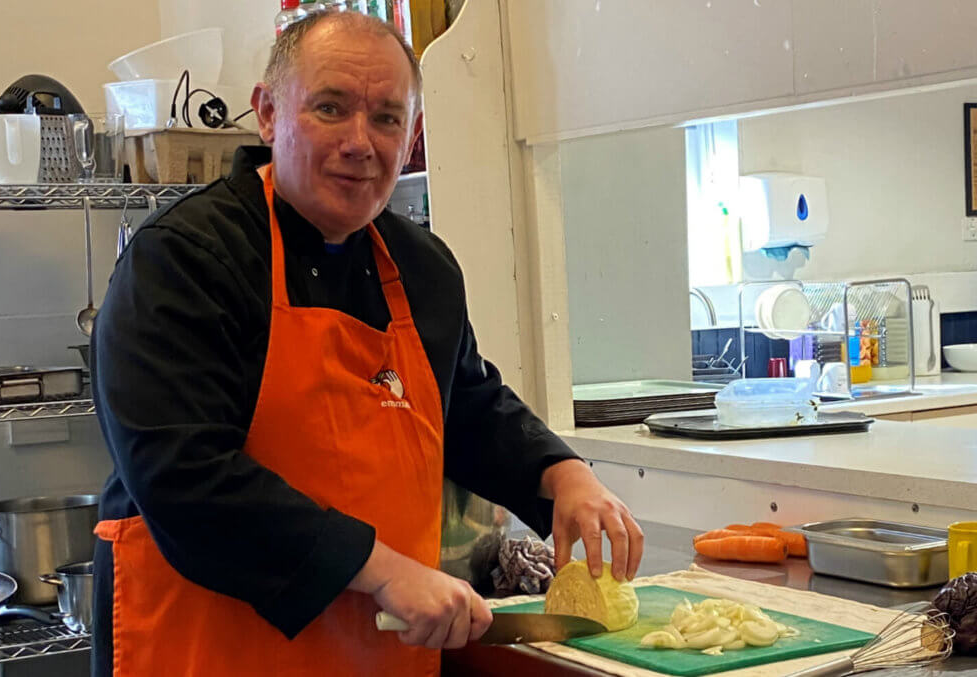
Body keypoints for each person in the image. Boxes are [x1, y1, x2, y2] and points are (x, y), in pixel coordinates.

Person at [90, 10, 643, 677]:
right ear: (267, 114)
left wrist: (565, 477)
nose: (361, 142)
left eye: (386, 118)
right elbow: (184, 475)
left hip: (377, 657)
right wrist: (381, 571)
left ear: (411, 134)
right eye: (330, 107)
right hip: (208, 652)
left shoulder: (423, 268)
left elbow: (469, 405)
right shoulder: (185, 259)